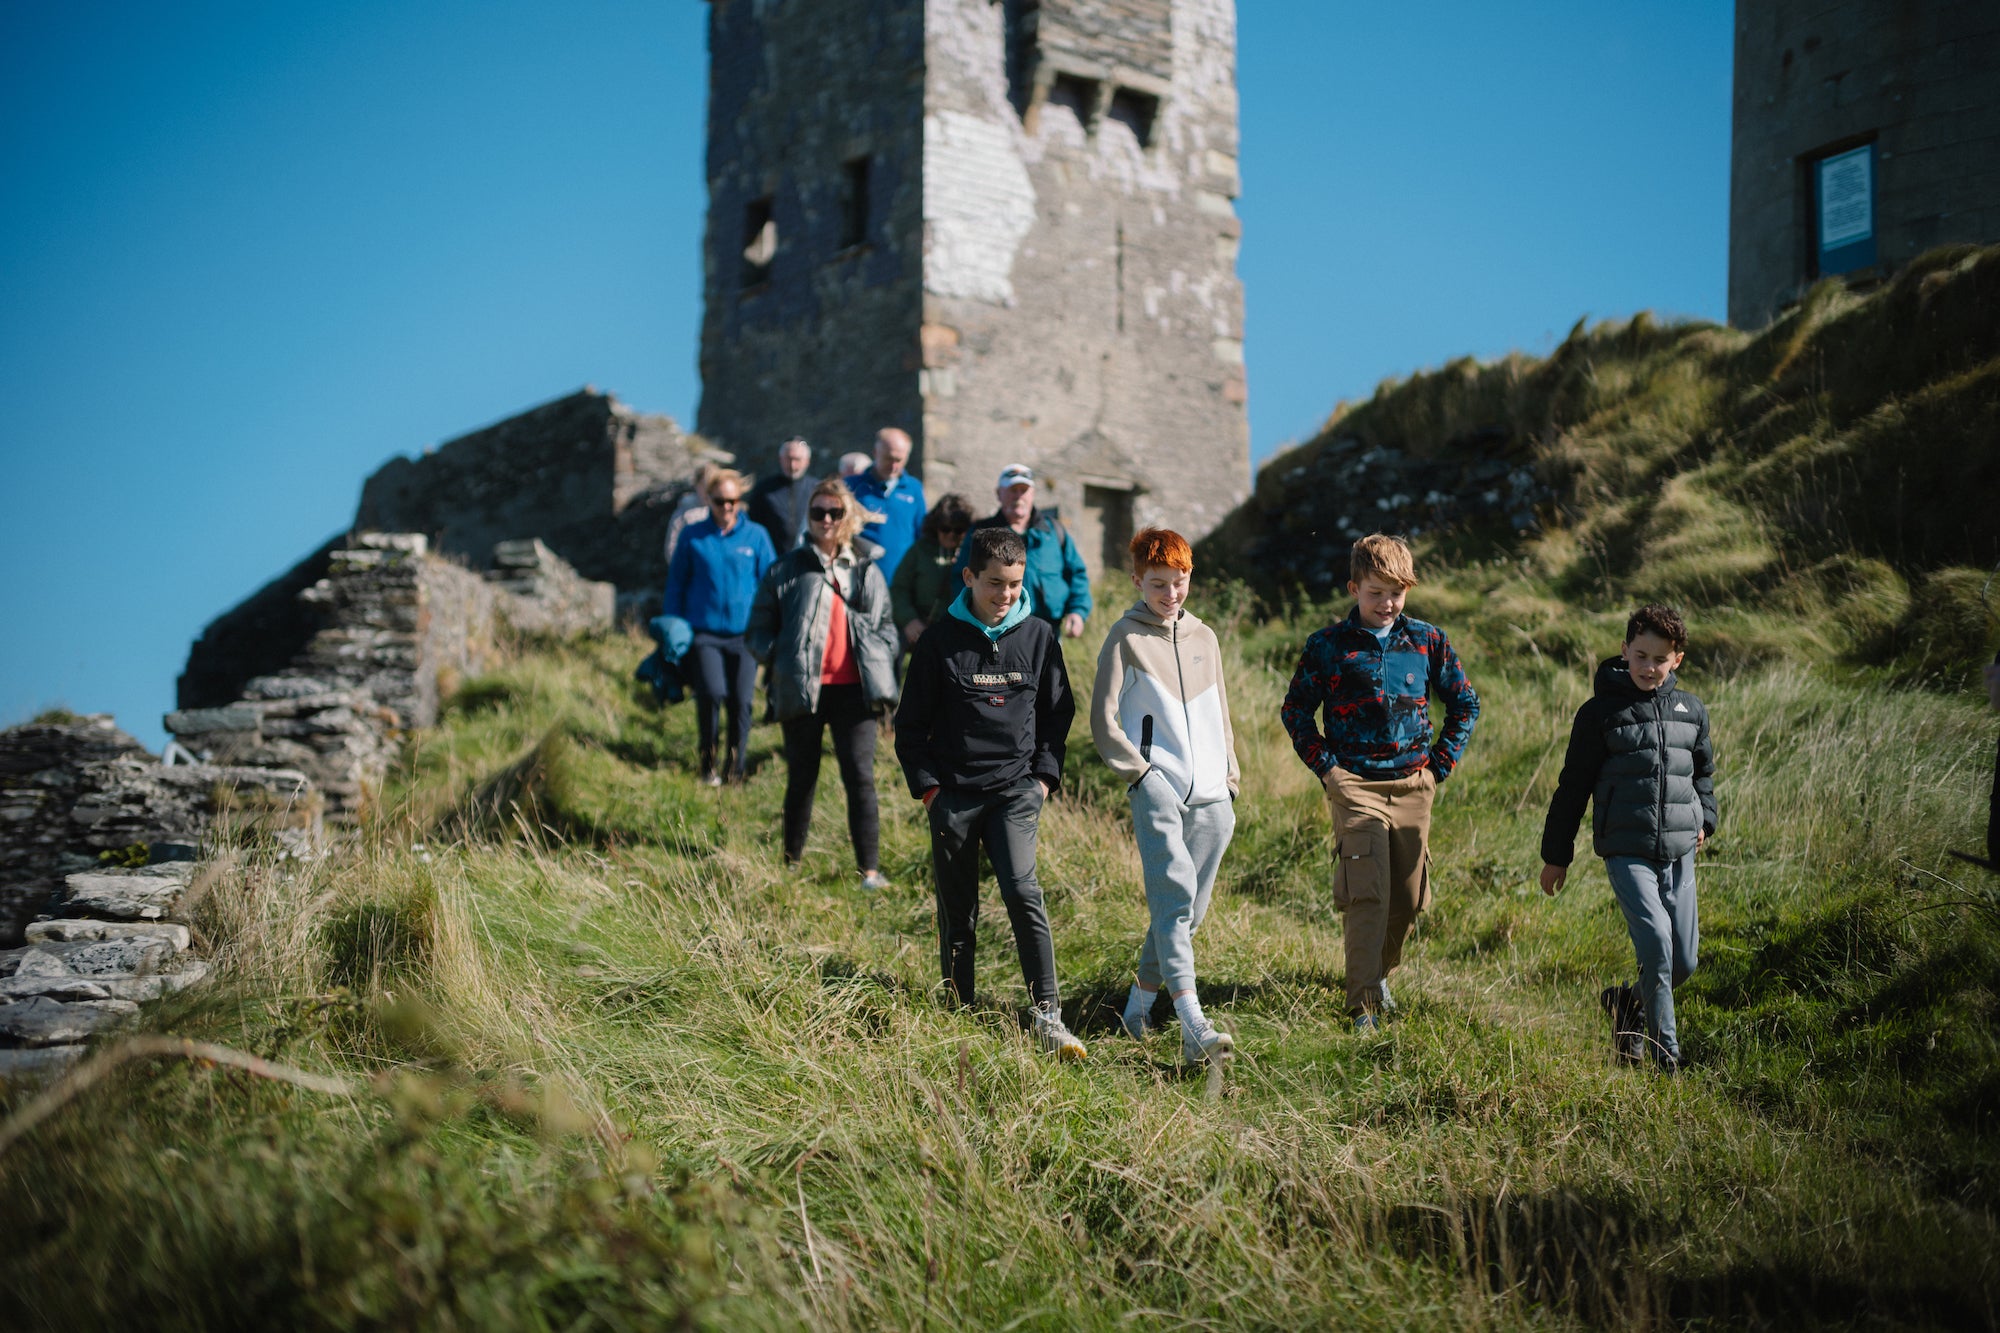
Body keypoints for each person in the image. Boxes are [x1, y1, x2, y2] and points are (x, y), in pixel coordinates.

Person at [894, 526, 1087, 1060]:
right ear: (969, 578)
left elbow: (1057, 713)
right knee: (958, 910)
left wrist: (1043, 779)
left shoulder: (1040, 637)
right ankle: (959, 1011)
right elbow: (909, 727)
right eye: (995, 584)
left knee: (1023, 891)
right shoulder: (938, 642)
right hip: (953, 796)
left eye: (1015, 584)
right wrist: (932, 791)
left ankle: (1048, 1014)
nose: (1006, 595)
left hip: (1015, 793)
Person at [1280, 533, 1480, 1031]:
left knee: (1408, 899)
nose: (1387, 603)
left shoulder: (1428, 640)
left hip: (1414, 785)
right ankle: (1362, 1005)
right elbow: (1296, 712)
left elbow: (1465, 704)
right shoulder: (1326, 647)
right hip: (1355, 788)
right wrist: (1329, 772)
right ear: (1354, 587)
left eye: (1397, 592)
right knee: (1368, 893)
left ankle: (1378, 974)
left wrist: (1438, 768)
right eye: (1376, 592)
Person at [1539, 605, 1717, 1074]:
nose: (1648, 667)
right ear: (1624, 650)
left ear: (1676, 659)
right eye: (1639, 655)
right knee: (1657, 947)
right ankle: (1667, 1057)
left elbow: (1703, 774)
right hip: (1626, 851)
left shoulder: (1691, 710)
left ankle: (1627, 1007)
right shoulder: (1600, 713)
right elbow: (1573, 785)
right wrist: (1556, 855)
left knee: (1684, 962)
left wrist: (1707, 820)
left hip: (1680, 851)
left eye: (1659, 659)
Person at [1091, 528, 1240, 1067]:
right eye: (1158, 585)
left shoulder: (1205, 637)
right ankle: (1192, 1023)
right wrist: (1141, 772)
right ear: (1137, 581)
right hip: (1157, 788)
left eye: (1179, 583)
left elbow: (1220, 711)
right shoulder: (1126, 638)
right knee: (1175, 898)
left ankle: (1136, 1009)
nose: (1170, 594)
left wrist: (1230, 776)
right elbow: (1102, 719)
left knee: (1187, 913)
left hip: (1212, 797)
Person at [748, 478, 900, 888]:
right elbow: (758, 630)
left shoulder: (867, 567)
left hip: (856, 689)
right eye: (818, 512)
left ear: (847, 516)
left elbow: (887, 626)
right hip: (803, 688)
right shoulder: (786, 568)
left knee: (860, 777)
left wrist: (880, 655)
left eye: (835, 511)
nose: (827, 519)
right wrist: (780, 658)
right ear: (809, 518)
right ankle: (790, 865)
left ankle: (869, 871)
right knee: (801, 776)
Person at [662, 468, 776, 785]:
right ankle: (707, 763)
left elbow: (771, 583)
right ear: (708, 499)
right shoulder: (692, 535)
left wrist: (771, 624)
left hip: (745, 635)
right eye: (719, 501)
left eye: (733, 501)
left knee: (742, 701)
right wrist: (672, 627)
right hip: (705, 633)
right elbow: (676, 585)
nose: (726, 508)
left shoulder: (756, 536)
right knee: (711, 693)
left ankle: (735, 769)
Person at [953, 464, 1091, 638]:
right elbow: (960, 578)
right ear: (999, 494)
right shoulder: (981, 533)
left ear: (1032, 494)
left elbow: (1077, 573)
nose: (1018, 497)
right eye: (1012, 490)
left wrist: (1077, 612)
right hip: (996, 631)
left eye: (1023, 490)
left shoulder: (1054, 532)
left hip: (1049, 630)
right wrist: (970, 619)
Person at [890, 493, 976, 650]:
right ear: (936, 527)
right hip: (920, 628)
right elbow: (898, 589)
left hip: (959, 631)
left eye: (958, 530)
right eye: (945, 529)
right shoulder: (920, 551)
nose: (951, 535)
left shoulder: (973, 554)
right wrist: (909, 620)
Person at [846, 428, 928, 582]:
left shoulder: (914, 488)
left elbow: (922, 534)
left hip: (902, 582)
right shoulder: (852, 487)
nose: (893, 465)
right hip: (860, 579)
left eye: (899, 460)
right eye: (888, 458)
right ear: (875, 452)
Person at [747, 437, 817, 554]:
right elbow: (753, 528)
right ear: (781, 459)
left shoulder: (816, 490)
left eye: (797, 460)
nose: (792, 465)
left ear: (807, 461)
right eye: (788, 459)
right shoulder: (764, 490)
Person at [663, 461, 719, 568]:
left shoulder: (724, 510)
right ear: (696, 485)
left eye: (712, 484)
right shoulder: (684, 512)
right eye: (703, 485)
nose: (707, 490)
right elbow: (672, 546)